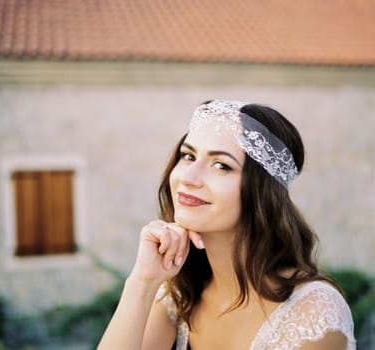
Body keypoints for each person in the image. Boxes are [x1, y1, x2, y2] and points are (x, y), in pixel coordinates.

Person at [98, 99, 356, 350]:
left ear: (261, 194)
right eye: (188, 156)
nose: (188, 177)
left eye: (221, 165)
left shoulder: (314, 312)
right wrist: (142, 282)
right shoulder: (178, 292)